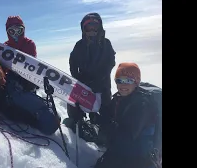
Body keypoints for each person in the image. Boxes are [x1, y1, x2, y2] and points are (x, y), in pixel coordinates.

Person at [94, 62, 162, 168]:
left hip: (139, 158)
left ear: (136, 82)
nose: (123, 85)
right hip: (122, 151)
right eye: (119, 80)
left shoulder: (142, 105)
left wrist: (104, 124)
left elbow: (127, 137)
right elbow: (109, 114)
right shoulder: (119, 98)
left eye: (128, 81)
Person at [63, 12, 116, 141]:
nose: (91, 30)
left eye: (94, 27)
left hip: (102, 85)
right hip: (83, 84)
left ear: (99, 28)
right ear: (83, 29)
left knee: (105, 111)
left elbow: (110, 62)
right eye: (88, 27)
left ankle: (105, 135)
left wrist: (100, 79)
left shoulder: (106, 44)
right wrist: (78, 78)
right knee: (74, 105)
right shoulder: (79, 45)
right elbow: (72, 62)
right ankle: (77, 126)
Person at [4, 15, 38, 92]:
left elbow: (31, 65)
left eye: (19, 30)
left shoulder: (29, 44)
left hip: (27, 80)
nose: (15, 34)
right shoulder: (5, 46)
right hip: (11, 80)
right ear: (8, 32)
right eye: (12, 31)